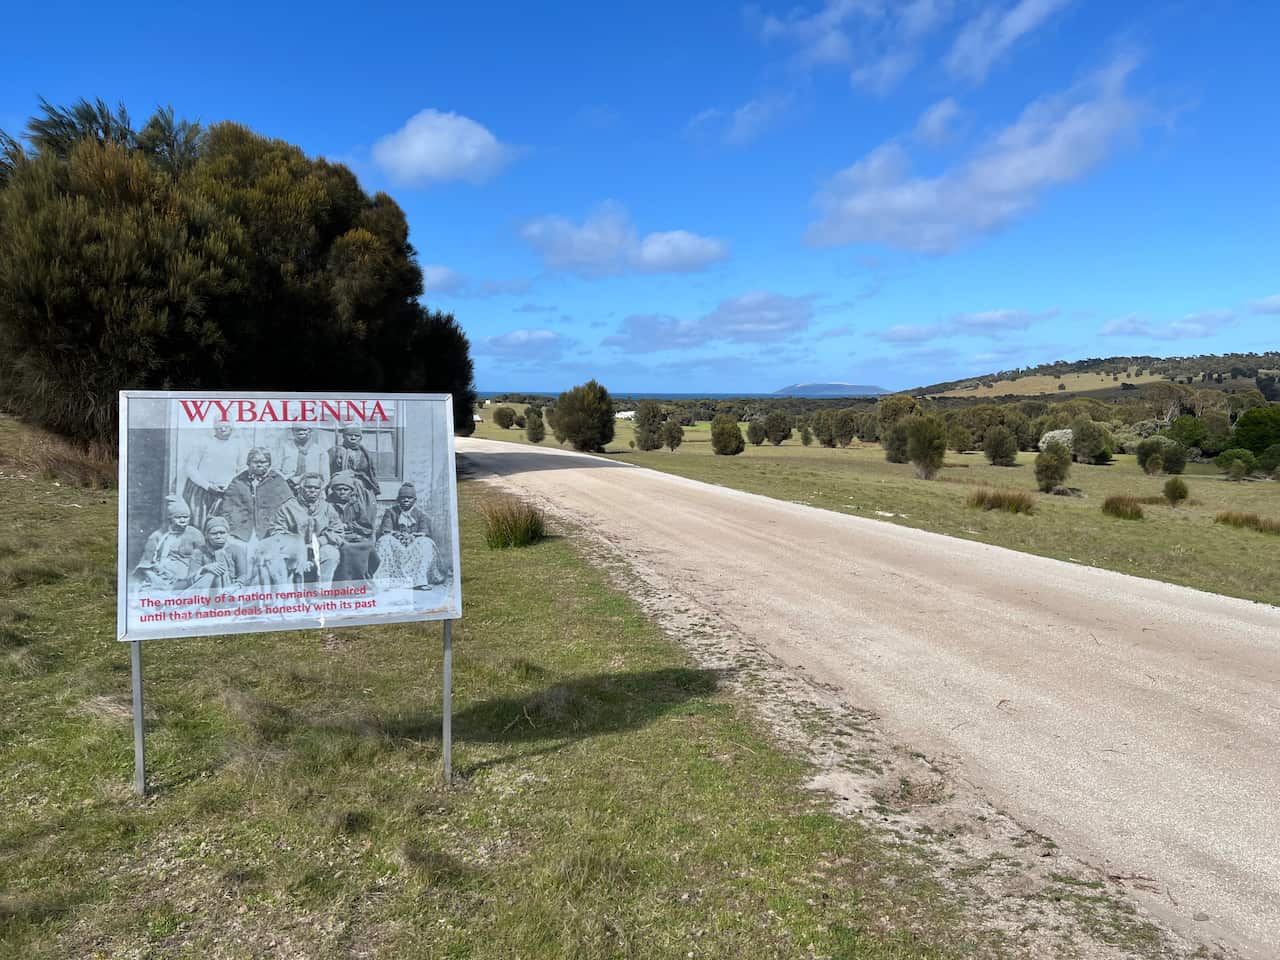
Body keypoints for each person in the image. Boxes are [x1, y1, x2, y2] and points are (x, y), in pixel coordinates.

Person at [266, 472, 343, 588]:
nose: (312, 491)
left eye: (316, 488)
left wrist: (320, 541)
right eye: (308, 487)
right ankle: (287, 592)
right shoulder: (288, 507)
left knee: (331, 553)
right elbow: (277, 530)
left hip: (318, 548)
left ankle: (320, 592)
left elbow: (337, 530)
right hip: (293, 549)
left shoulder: (327, 507)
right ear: (300, 489)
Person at [218, 447, 294, 544]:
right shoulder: (238, 481)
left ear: (269, 464)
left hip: (271, 531)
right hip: (242, 531)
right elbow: (227, 508)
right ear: (248, 463)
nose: (259, 465)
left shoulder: (277, 481)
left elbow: (288, 507)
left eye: (263, 462)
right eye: (255, 462)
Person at [132, 496, 205, 593]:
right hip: (161, 576)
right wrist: (156, 580)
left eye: (186, 517)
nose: (182, 520)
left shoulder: (195, 534)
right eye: (178, 517)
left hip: (187, 577)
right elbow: (145, 564)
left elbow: (203, 559)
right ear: (170, 518)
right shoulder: (157, 536)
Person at [182, 421, 245, 532]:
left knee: (222, 527)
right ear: (214, 427)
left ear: (232, 428)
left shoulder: (238, 445)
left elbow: (242, 468)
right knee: (200, 526)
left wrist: (229, 485)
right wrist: (207, 486)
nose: (223, 429)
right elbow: (190, 468)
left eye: (227, 426)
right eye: (220, 426)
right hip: (202, 493)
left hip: (226, 492)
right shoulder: (203, 443)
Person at [375, 482, 439, 588]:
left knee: (426, 542)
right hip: (396, 547)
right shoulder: (390, 512)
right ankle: (384, 580)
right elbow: (386, 530)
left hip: (413, 546)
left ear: (414, 500)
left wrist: (412, 537)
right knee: (384, 540)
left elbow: (424, 532)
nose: (406, 500)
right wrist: (398, 535)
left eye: (409, 498)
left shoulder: (420, 514)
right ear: (398, 499)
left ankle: (420, 580)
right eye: (403, 497)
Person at [327, 470, 379, 585]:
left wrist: (351, 526)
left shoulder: (356, 504)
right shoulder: (328, 504)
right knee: (347, 549)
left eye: (345, 489)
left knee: (366, 547)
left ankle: (362, 582)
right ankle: (345, 585)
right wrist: (336, 528)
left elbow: (366, 525)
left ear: (351, 491)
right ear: (333, 490)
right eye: (338, 489)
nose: (342, 492)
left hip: (354, 535)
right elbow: (323, 523)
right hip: (335, 536)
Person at [186, 516, 250, 597]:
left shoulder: (236, 550)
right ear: (206, 535)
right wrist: (205, 569)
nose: (218, 536)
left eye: (222, 533)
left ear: (228, 534)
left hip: (232, 594)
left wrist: (235, 586)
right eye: (214, 533)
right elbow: (189, 579)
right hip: (206, 596)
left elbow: (244, 575)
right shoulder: (198, 553)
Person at [329, 423, 378, 516]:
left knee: (368, 501)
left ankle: (361, 523)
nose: (353, 437)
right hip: (339, 483)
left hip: (360, 484)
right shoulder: (335, 451)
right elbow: (328, 470)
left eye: (356, 436)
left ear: (360, 438)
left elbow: (370, 473)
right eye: (350, 435)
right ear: (344, 436)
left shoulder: (365, 453)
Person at [275, 425, 329, 493]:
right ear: (293, 431)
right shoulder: (284, 448)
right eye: (297, 430)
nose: (301, 432)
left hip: (312, 490)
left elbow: (326, 478)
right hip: (288, 487)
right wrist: (288, 480)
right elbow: (275, 469)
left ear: (310, 431)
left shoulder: (320, 451)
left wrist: (315, 490)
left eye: (304, 430)